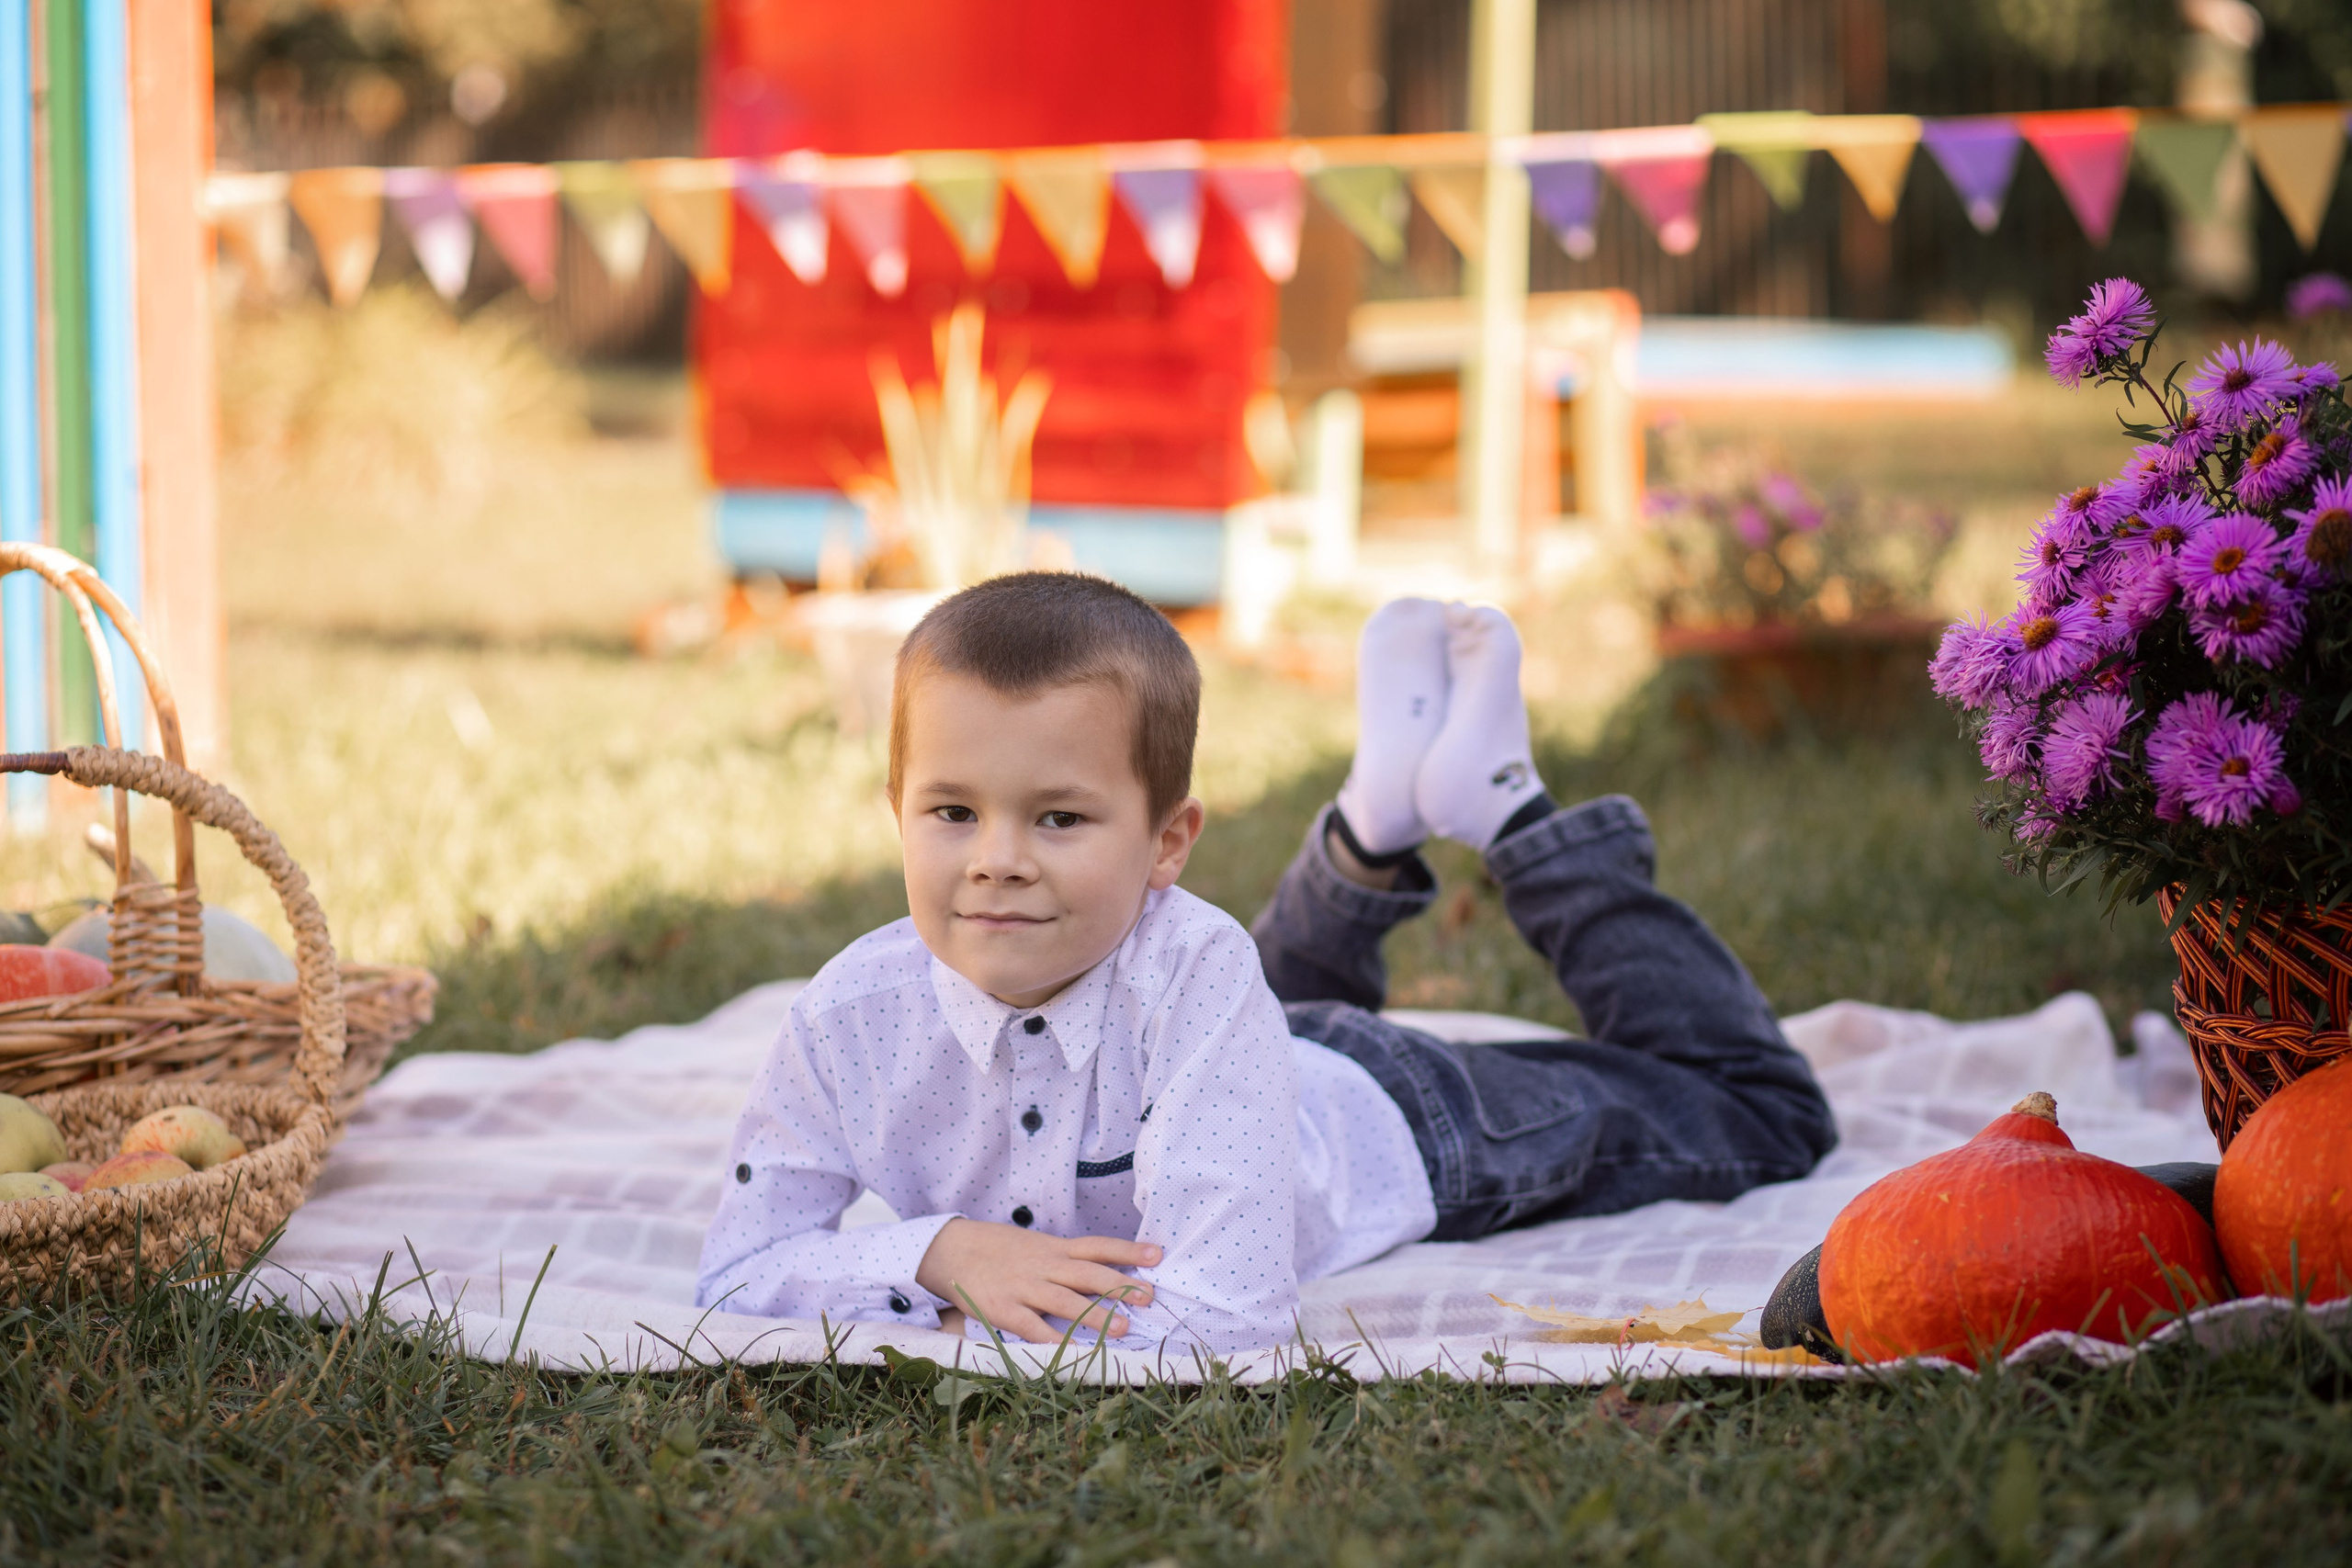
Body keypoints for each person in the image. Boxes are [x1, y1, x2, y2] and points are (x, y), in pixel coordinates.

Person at [696, 576, 1834, 1354]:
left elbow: (1226, 1315)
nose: (996, 860)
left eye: (1058, 818)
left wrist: (975, 1306)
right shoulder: (848, 1018)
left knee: (1762, 1112)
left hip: (1403, 1120)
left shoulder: (1199, 972)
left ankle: (1502, 804)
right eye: (952, 811)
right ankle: (1374, 819)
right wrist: (943, 1257)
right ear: (896, 810)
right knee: (1238, 992)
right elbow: (739, 1271)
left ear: (1168, 843)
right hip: (1233, 1049)